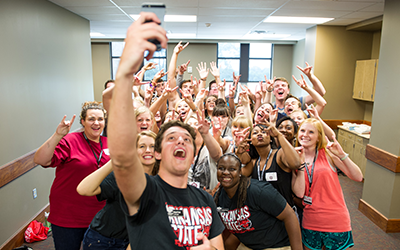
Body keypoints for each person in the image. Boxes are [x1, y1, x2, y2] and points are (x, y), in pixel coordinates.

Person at [107, 12, 224, 249]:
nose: (181, 142)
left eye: (186, 140)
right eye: (171, 138)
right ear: (158, 153)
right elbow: (121, 158)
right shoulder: (145, 191)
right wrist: (125, 73)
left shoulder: (204, 199)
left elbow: (218, 246)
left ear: (193, 155)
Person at [33, 101, 109, 250]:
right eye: (91, 119)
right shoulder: (71, 141)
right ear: (83, 121)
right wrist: (58, 135)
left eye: (100, 119)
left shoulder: (109, 144)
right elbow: (40, 160)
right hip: (67, 216)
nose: (96, 123)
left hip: (99, 216)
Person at [77, 131, 157, 250]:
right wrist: (114, 162)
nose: (148, 150)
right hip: (102, 240)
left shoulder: (161, 180)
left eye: (153, 146)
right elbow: (83, 189)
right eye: (142, 146)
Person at [295, 118, 363, 250]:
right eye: (302, 130)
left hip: (335, 219)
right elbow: (299, 192)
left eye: (311, 132)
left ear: (319, 137)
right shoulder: (295, 158)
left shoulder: (327, 154)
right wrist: (300, 164)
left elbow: (358, 177)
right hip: (311, 219)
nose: (305, 135)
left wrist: (342, 155)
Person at [214, 153, 302, 250]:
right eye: (221, 168)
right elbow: (241, 229)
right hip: (249, 245)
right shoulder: (219, 197)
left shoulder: (258, 191)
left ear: (240, 172)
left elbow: (289, 215)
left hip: (276, 246)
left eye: (232, 169)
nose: (225, 172)